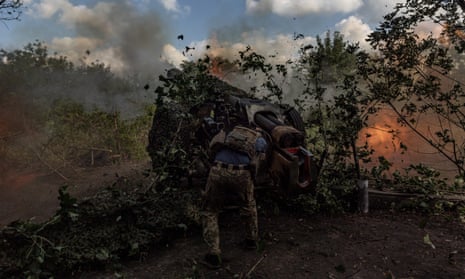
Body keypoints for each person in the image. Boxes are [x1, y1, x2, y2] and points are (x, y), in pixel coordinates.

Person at [201, 124, 268, 269]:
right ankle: (251, 240)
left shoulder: (229, 132)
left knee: (210, 210)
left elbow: (212, 149)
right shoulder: (259, 139)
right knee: (248, 206)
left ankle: (213, 254)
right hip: (242, 173)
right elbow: (260, 160)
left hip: (218, 170)